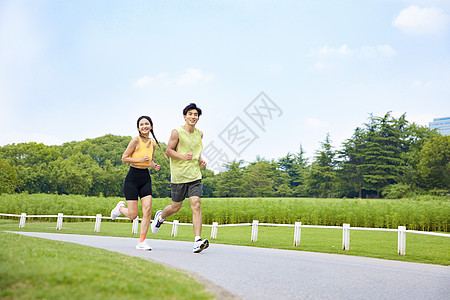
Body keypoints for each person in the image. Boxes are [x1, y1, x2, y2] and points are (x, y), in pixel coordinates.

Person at [151, 103, 209, 253]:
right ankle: (160, 217)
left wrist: (200, 159)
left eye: (195, 115)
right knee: (175, 208)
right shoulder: (176, 132)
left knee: (196, 204)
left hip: (195, 175)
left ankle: (197, 241)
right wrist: (183, 156)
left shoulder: (200, 134)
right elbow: (169, 151)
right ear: (185, 116)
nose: (193, 117)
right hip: (179, 177)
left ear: (198, 118)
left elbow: (196, 151)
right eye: (190, 114)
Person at [111, 116, 161, 250]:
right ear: (138, 128)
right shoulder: (135, 141)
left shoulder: (153, 143)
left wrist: (153, 165)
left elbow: (148, 159)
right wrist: (140, 160)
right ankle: (120, 209)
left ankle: (142, 242)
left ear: (151, 126)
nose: (144, 126)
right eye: (141, 124)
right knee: (133, 215)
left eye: (147, 124)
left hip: (145, 178)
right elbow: (124, 158)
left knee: (148, 210)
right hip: (132, 179)